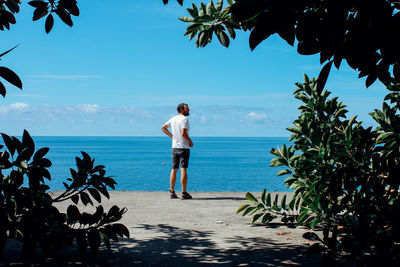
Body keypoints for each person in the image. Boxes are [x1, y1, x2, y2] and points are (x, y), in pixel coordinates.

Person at [161, 103, 194, 199]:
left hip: (174, 147)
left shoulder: (173, 119)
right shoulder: (185, 119)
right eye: (187, 108)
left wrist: (172, 136)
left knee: (174, 169)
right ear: (182, 110)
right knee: (183, 169)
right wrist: (190, 141)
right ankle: (184, 193)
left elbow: (163, 128)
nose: (189, 110)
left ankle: (172, 191)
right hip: (184, 147)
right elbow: (183, 133)